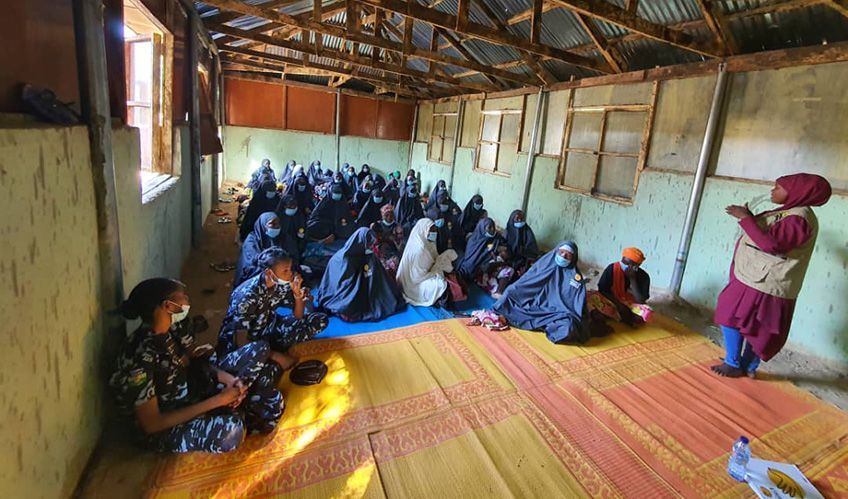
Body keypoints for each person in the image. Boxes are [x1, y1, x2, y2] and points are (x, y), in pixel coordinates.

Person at [111, 278, 284, 453]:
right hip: (165, 424)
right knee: (231, 432)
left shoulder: (173, 327)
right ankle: (238, 411)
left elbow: (197, 362)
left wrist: (228, 380)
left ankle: (239, 405)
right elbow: (152, 423)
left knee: (259, 351)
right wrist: (217, 401)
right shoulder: (139, 358)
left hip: (190, 391)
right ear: (168, 306)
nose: (187, 299)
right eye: (182, 296)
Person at [711, 173, 832, 378]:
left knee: (731, 314)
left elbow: (772, 245)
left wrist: (746, 219)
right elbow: (773, 233)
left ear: (796, 192)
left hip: (765, 281)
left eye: (778, 187)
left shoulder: (798, 218)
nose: (772, 191)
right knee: (756, 323)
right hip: (760, 278)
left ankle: (734, 363)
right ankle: (747, 366)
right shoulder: (791, 212)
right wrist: (750, 217)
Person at [218, 248, 329, 369]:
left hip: (268, 329)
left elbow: (298, 316)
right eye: (285, 271)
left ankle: (273, 349)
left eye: (290, 268)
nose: (290, 273)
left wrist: (297, 294)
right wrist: (276, 356)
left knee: (319, 320)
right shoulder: (246, 297)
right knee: (269, 370)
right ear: (269, 273)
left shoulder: (282, 284)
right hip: (249, 344)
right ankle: (272, 353)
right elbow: (241, 343)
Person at [493, 242, 590, 344]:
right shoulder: (543, 264)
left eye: (567, 255)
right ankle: (541, 324)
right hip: (532, 303)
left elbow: (575, 303)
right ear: (556, 252)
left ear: (573, 258)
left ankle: (545, 325)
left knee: (567, 328)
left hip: (555, 313)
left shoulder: (574, 278)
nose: (563, 256)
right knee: (509, 292)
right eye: (561, 252)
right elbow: (525, 282)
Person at [316, 228, 406, 322]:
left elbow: (374, 278)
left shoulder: (367, 257)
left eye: (372, 244)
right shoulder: (341, 260)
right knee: (346, 308)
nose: (371, 248)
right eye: (369, 244)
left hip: (357, 295)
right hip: (343, 297)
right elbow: (341, 286)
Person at [397, 218, 458, 307]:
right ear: (424, 231)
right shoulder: (419, 250)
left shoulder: (429, 242)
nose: (434, 233)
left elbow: (435, 258)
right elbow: (417, 278)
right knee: (440, 285)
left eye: (435, 230)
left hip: (427, 272)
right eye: (431, 231)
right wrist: (436, 273)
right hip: (414, 285)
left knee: (449, 253)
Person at [587, 248, 652, 327]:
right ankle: (621, 316)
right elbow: (602, 290)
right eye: (623, 262)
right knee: (591, 296)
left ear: (636, 266)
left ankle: (617, 316)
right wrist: (618, 305)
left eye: (628, 264)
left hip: (630, 304)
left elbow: (641, 300)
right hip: (611, 300)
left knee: (644, 314)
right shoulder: (612, 268)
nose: (623, 265)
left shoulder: (643, 276)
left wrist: (632, 279)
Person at [457, 218, 515, 299]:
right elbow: (472, 261)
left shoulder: (496, 239)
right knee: (487, 279)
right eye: (489, 228)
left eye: (493, 227)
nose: (492, 230)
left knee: (508, 270)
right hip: (478, 271)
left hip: (492, 265)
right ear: (482, 229)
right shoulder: (474, 240)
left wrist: (499, 255)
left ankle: (499, 291)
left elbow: (505, 249)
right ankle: (495, 291)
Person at [235, 213, 283, 286]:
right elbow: (253, 260)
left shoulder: (280, 238)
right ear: (263, 225)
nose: (276, 227)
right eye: (272, 224)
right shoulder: (251, 240)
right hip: (254, 270)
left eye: (278, 224)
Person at [371, 205, 406, 278]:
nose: (389, 217)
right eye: (386, 215)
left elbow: (401, 247)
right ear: (382, 215)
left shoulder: (397, 227)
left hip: (392, 252)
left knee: (394, 263)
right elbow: (371, 242)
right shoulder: (376, 225)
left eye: (391, 215)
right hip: (379, 251)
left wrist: (394, 240)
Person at [275, 195, 308, 265]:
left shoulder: (299, 216)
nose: (292, 208)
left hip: (297, 245)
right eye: (289, 206)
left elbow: (303, 231)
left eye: (294, 207)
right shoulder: (278, 217)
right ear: (284, 206)